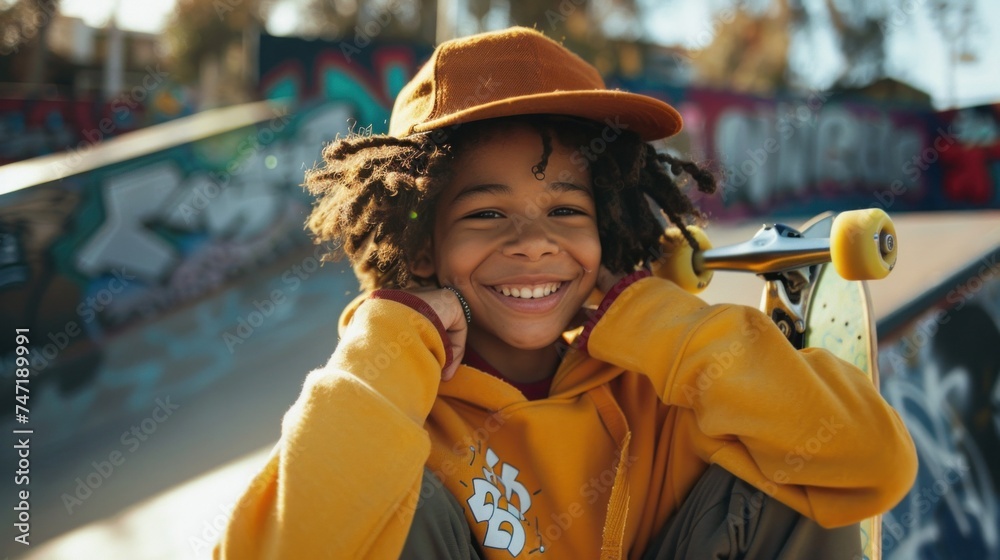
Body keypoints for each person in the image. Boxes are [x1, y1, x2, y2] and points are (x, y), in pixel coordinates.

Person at [215, 27, 917, 559]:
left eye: (566, 211)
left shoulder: (663, 388)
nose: (533, 243)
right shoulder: (392, 406)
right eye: (486, 213)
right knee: (396, 505)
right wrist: (390, 332)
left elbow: (874, 467)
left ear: (607, 226)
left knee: (785, 480)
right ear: (421, 241)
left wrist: (659, 321)